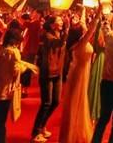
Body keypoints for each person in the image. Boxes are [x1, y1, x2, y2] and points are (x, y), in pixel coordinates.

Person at [59, 7, 100, 143]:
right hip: (79, 75)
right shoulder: (81, 43)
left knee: (75, 103)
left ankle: (71, 132)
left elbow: (84, 25)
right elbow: (92, 28)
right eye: (82, 29)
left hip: (77, 72)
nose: (84, 28)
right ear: (80, 34)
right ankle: (74, 134)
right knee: (77, 103)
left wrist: (83, 11)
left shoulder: (76, 43)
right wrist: (98, 13)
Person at [32, 15, 68, 143]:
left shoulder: (59, 34)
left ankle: (42, 126)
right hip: (48, 73)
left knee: (56, 102)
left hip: (57, 72)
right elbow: (58, 43)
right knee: (46, 103)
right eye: (59, 20)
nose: (62, 22)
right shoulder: (47, 36)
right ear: (52, 25)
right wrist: (67, 29)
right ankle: (35, 131)